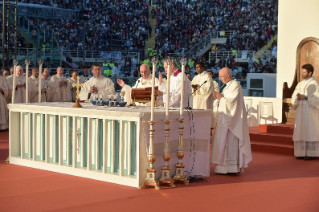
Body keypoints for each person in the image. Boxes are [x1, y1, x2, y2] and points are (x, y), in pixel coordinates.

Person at [211, 67, 252, 174]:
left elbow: (232, 103)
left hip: (231, 123)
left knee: (230, 144)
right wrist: (218, 99)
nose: (219, 79)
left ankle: (231, 168)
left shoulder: (235, 85)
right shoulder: (227, 86)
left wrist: (220, 98)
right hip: (224, 120)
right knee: (223, 143)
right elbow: (225, 101)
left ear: (228, 75)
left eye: (221, 76)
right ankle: (221, 166)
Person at [291, 64, 319, 160]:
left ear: (310, 73)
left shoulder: (315, 84)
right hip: (301, 111)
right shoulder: (300, 84)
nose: (302, 74)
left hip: (311, 111)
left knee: (310, 130)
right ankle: (301, 153)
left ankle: (310, 154)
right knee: (301, 130)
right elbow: (294, 96)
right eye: (302, 72)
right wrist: (297, 98)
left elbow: (317, 98)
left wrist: (306, 97)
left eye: (304, 72)